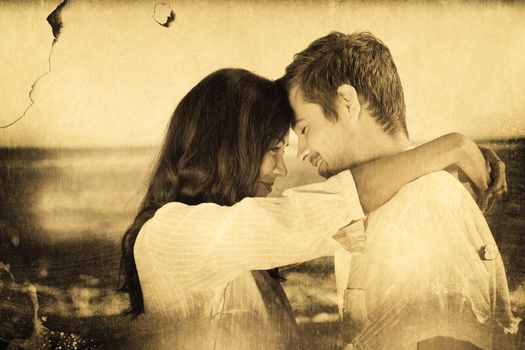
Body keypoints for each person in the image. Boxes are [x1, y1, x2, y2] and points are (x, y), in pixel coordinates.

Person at [119, 68, 504, 350]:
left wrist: (446, 176)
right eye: (274, 150)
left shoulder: (244, 257)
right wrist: (451, 148)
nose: (282, 169)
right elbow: (317, 212)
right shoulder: (169, 234)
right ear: (228, 148)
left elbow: (357, 220)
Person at [282, 31, 519, 349]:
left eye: (304, 129)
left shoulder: (424, 207)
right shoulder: (388, 207)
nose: (301, 151)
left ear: (347, 104)